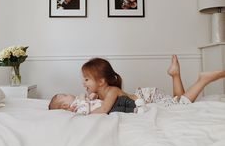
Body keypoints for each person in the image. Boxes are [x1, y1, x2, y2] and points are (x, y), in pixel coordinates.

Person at [79, 56, 225, 114]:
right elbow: (92, 102)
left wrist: (85, 116)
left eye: (86, 79)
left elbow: (104, 110)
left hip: (149, 99)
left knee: (181, 105)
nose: (83, 83)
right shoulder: (100, 93)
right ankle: (175, 74)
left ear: (101, 81)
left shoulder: (111, 91)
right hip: (146, 95)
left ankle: (203, 80)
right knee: (177, 101)